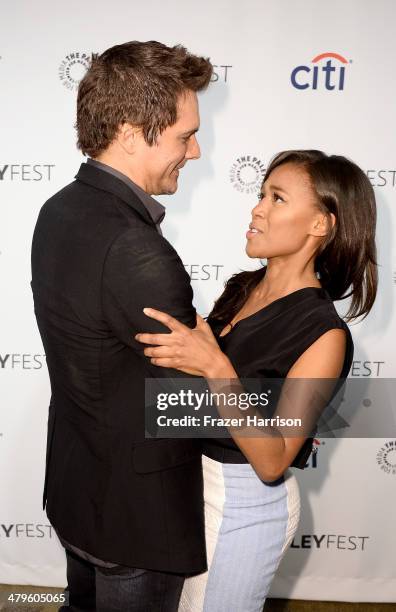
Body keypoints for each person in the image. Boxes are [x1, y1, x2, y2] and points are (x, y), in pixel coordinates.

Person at [135, 149, 378, 611]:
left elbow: (273, 460)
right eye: (261, 194)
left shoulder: (323, 334)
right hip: (189, 485)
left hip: (244, 506)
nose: (257, 208)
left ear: (320, 224)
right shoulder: (242, 287)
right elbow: (196, 399)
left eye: (277, 198)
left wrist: (216, 368)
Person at [31, 41, 213, 612]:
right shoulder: (137, 249)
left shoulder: (59, 209)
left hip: (79, 490)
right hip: (136, 517)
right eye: (185, 136)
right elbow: (193, 401)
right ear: (133, 134)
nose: (197, 151)